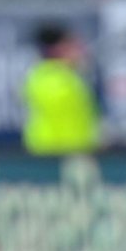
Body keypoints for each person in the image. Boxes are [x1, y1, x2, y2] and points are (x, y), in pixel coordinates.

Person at [21, 24, 100, 156]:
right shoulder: (49, 78)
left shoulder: (69, 76)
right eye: (72, 45)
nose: (79, 50)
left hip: (74, 150)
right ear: (58, 49)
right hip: (52, 152)